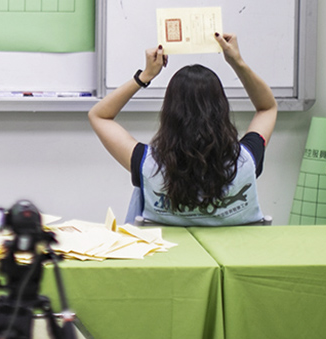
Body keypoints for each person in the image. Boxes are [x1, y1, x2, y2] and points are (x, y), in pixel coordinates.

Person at [88, 33, 277, 226]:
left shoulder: (147, 164)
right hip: (236, 254)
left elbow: (99, 115)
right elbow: (267, 108)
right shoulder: (247, 160)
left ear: (169, 113)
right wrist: (237, 62)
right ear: (222, 109)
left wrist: (144, 76)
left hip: (169, 255)